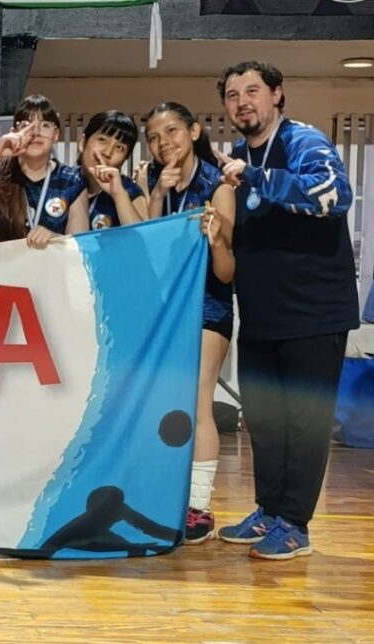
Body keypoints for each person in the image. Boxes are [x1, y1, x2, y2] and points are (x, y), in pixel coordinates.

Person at [214, 61, 356, 560]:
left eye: (253, 90)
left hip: (314, 313)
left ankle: (295, 524)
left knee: (304, 424)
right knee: (266, 422)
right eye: (233, 95)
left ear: (277, 94)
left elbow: (335, 195)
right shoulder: (237, 157)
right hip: (262, 315)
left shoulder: (303, 140)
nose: (242, 102)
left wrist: (256, 177)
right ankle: (269, 511)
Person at [144, 102, 236, 545]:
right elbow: (146, 250)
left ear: (194, 131)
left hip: (207, 307)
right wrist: (156, 196)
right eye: (154, 137)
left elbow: (227, 272)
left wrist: (216, 240)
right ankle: (166, 495)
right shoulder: (151, 179)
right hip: (164, 310)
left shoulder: (217, 185)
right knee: (161, 403)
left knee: (198, 400)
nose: (164, 143)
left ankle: (199, 505)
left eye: (172, 131)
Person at [0, 95, 88, 249]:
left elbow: (80, 247)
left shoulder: (72, 180)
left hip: (51, 264)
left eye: (45, 125)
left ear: (56, 134)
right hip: (1, 263)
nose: (36, 132)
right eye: (26, 124)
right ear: (13, 132)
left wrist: (56, 238)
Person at [77, 110, 147, 229]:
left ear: (125, 158)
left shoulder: (130, 190)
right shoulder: (62, 181)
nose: (108, 152)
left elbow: (143, 237)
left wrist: (118, 194)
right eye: (102, 140)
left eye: (119, 147)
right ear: (83, 143)